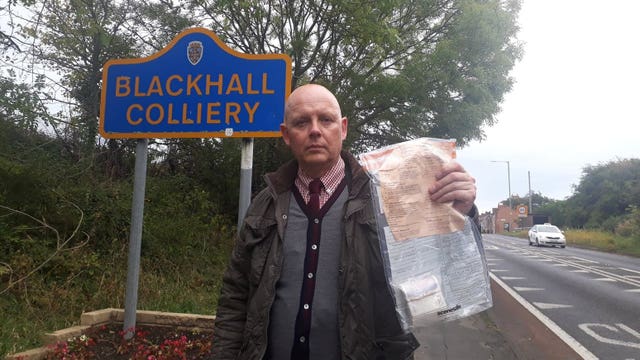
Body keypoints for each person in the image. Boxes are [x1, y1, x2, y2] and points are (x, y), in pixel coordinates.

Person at [211, 84, 479, 360]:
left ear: (343, 128)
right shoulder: (265, 204)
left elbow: (442, 267)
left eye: (325, 120)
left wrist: (462, 213)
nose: (315, 130)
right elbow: (236, 294)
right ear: (286, 135)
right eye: (302, 122)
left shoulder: (389, 196)